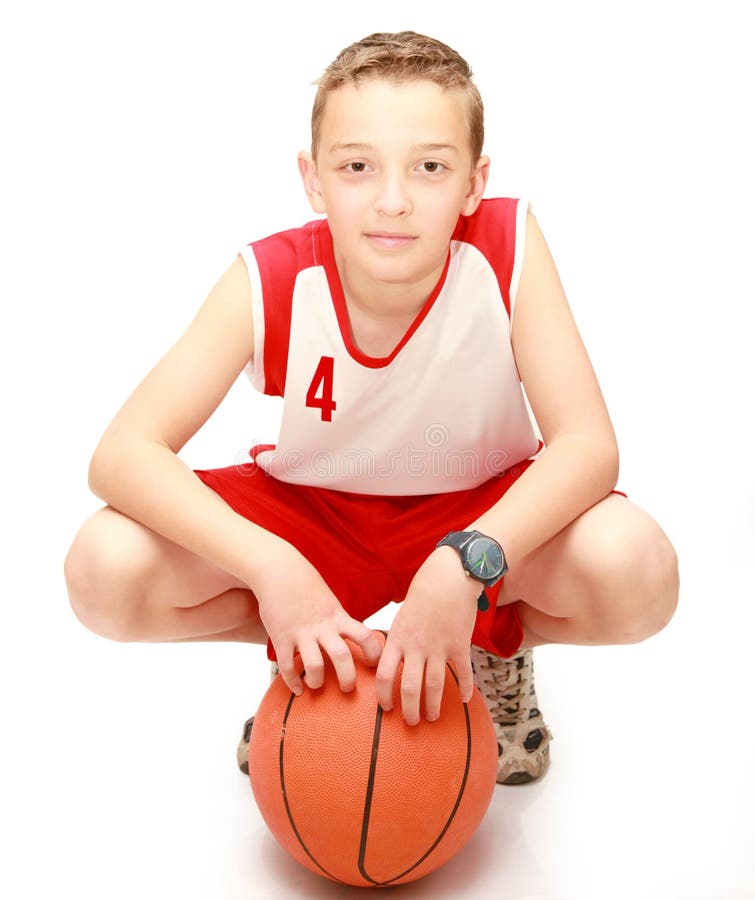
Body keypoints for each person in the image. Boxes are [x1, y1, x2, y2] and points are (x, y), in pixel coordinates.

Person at [64, 31, 679, 786]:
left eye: (429, 167)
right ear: (313, 180)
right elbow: (123, 453)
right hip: (317, 515)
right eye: (358, 167)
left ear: (473, 183)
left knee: (636, 569)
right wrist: (272, 568)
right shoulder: (270, 276)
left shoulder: (507, 244)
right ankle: (322, 664)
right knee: (105, 569)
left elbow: (586, 445)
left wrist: (465, 565)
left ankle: (484, 644)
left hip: (475, 511)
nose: (392, 199)